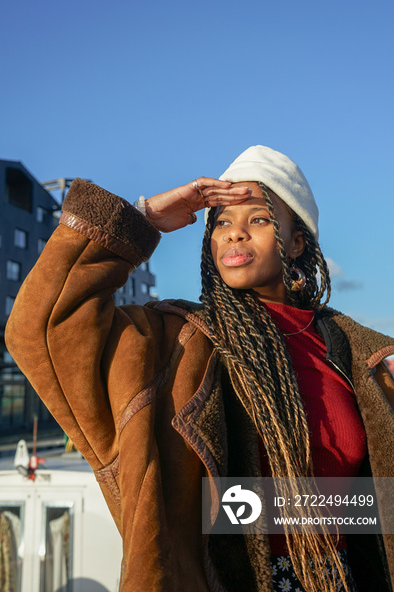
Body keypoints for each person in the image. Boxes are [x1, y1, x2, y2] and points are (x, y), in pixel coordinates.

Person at [5, 145, 394, 592]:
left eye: (260, 219)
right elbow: (40, 330)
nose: (235, 234)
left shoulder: (359, 352)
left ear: (298, 240)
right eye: (222, 222)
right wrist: (144, 218)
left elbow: (371, 506)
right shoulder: (177, 342)